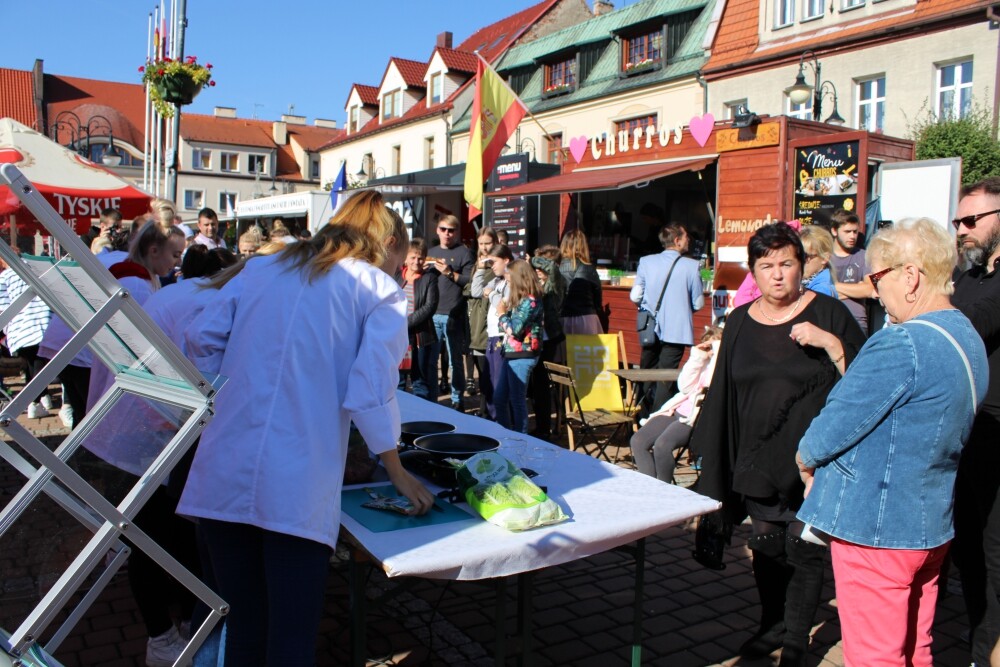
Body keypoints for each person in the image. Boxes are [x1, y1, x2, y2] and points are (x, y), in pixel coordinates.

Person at [178, 191, 434, 664]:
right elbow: (371, 390)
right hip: (295, 484)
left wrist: (237, 390)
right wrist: (396, 470)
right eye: (402, 260)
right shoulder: (378, 290)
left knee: (244, 630)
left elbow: (201, 339)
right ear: (391, 243)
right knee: (289, 641)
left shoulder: (263, 268)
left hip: (227, 464)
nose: (402, 270)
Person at [796, 218, 988, 666]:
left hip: (876, 528)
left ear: (910, 275)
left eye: (877, 278)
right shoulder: (968, 336)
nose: (873, 289)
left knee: (874, 656)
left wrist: (804, 459)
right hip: (930, 523)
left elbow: (830, 427)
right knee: (915, 649)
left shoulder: (901, 342)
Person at [689, 222, 866, 666]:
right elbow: (725, 391)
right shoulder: (740, 321)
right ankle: (772, 626)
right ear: (754, 271)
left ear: (802, 265)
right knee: (766, 547)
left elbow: (866, 382)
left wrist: (830, 343)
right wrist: (714, 460)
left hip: (812, 463)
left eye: (786, 263)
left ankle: (796, 642)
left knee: (804, 552)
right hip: (756, 458)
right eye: (766, 266)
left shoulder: (830, 314)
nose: (778, 274)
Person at [950, 176, 1000, 666]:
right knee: (967, 548)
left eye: (971, 220)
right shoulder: (968, 274)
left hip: (997, 437)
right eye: (957, 221)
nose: (961, 229)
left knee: (992, 555)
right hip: (964, 431)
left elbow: (977, 322)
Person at [630, 326, 721, 482]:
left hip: (695, 418)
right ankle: (650, 487)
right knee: (638, 441)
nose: (709, 350)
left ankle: (665, 490)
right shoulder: (702, 362)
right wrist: (697, 358)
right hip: (677, 410)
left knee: (662, 446)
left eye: (712, 346)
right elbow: (685, 387)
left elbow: (712, 384)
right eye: (706, 345)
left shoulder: (721, 367)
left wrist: (717, 354)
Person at [630, 222, 705, 412]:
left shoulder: (646, 261)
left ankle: (640, 418)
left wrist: (647, 306)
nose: (689, 240)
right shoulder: (692, 266)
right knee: (666, 379)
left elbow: (635, 296)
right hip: (677, 331)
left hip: (649, 328)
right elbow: (698, 303)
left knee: (646, 373)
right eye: (686, 236)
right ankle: (656, 420)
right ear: (678, 240)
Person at [426, 214, 475, 410]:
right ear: (437, 230)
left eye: (451, 230)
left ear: (457, 232)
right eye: (444, 229)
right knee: (431, 360)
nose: (447, 233)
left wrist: (448, 272)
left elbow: (469, 282)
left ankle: (457, 399)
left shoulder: (464, 253)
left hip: (453, 314)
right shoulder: (431, 252)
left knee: (455, 360)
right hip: (432, 313)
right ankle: (431, 398)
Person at [493, 260, 543, 433]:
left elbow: (514, 329)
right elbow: (506, 328)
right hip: (512, 354)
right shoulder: (521, 299)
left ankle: (521, 439)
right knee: (499, 398)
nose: (507, 278)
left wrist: (501, 315)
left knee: (517, 400)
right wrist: (505, 318)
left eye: (509, 275)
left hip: (523, 355)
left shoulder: (530, 301)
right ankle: (505, 435)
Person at [0, 259, 52, 419]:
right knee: (38, 363)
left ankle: (38, 400)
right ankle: (36, 400)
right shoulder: (37, 270)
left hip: (20, 328)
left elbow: (3, 307)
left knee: (32, 363)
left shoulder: (5, 277)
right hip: (43, 322)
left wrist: (7, 333)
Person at [471, 244, 514, 419]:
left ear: (506, 261)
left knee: (498, 384)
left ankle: (501, 422)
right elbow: (475, 292)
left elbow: (503, 305)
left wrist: (492, 294)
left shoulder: (512, 283)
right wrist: (480, 270)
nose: (492, 266)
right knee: (489, 383)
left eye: (494, 262)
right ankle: (492, 418)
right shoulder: (496, 280)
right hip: (491, 336)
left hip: (502, 337)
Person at [529, 246, 566, 439]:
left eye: (540, 264)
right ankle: (542, 426)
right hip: (538, 341)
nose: (536, 268)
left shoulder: (557, 282)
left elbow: (552, 268)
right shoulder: (536, 284)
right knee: (538, 387)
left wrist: (532, 259)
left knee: (551, 387)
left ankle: (554, 426)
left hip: (552, 341)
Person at [399, 238, 439, 403]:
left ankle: (421, 420)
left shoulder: (429, 278)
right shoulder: (396, 277)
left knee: (419, 382)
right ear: (406, 258)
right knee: (398, 381)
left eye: (420, 257)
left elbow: (430, 307)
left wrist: (405, 323)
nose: (417, 261)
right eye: (413, 257)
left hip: (419, 338)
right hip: (398, 338)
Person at [467, 228, 499, 417]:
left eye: (488, 243)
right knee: (483, 376)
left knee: (491, 377)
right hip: (477, 325)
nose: (485, 247)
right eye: (481, 243)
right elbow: (474, 292)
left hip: (492, 328)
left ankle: (489, 414)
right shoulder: (477, 266)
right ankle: (484, 411)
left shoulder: (498, 268)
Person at [829, 210, 869, 332]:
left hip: (857, 321)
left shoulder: (864, 256)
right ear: (834, 231)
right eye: (847, 232)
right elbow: (819, 291)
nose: (852, 236)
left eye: (855, 232)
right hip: (830, 320)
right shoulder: (824, 257)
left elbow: (869, 290)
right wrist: (856, 288)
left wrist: (833, 287)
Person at [558, 229, 603, 335]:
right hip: (587, 317)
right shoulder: (589, 268)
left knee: (565, 351)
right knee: (586, 351)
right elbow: (598, 298)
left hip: (563, 317)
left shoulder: (557, 268)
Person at [798, 225, 837, 298]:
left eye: (805, 256)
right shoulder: (807, 283)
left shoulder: (822, 290)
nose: (800, 261)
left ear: (825, 258)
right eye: (798, 255)